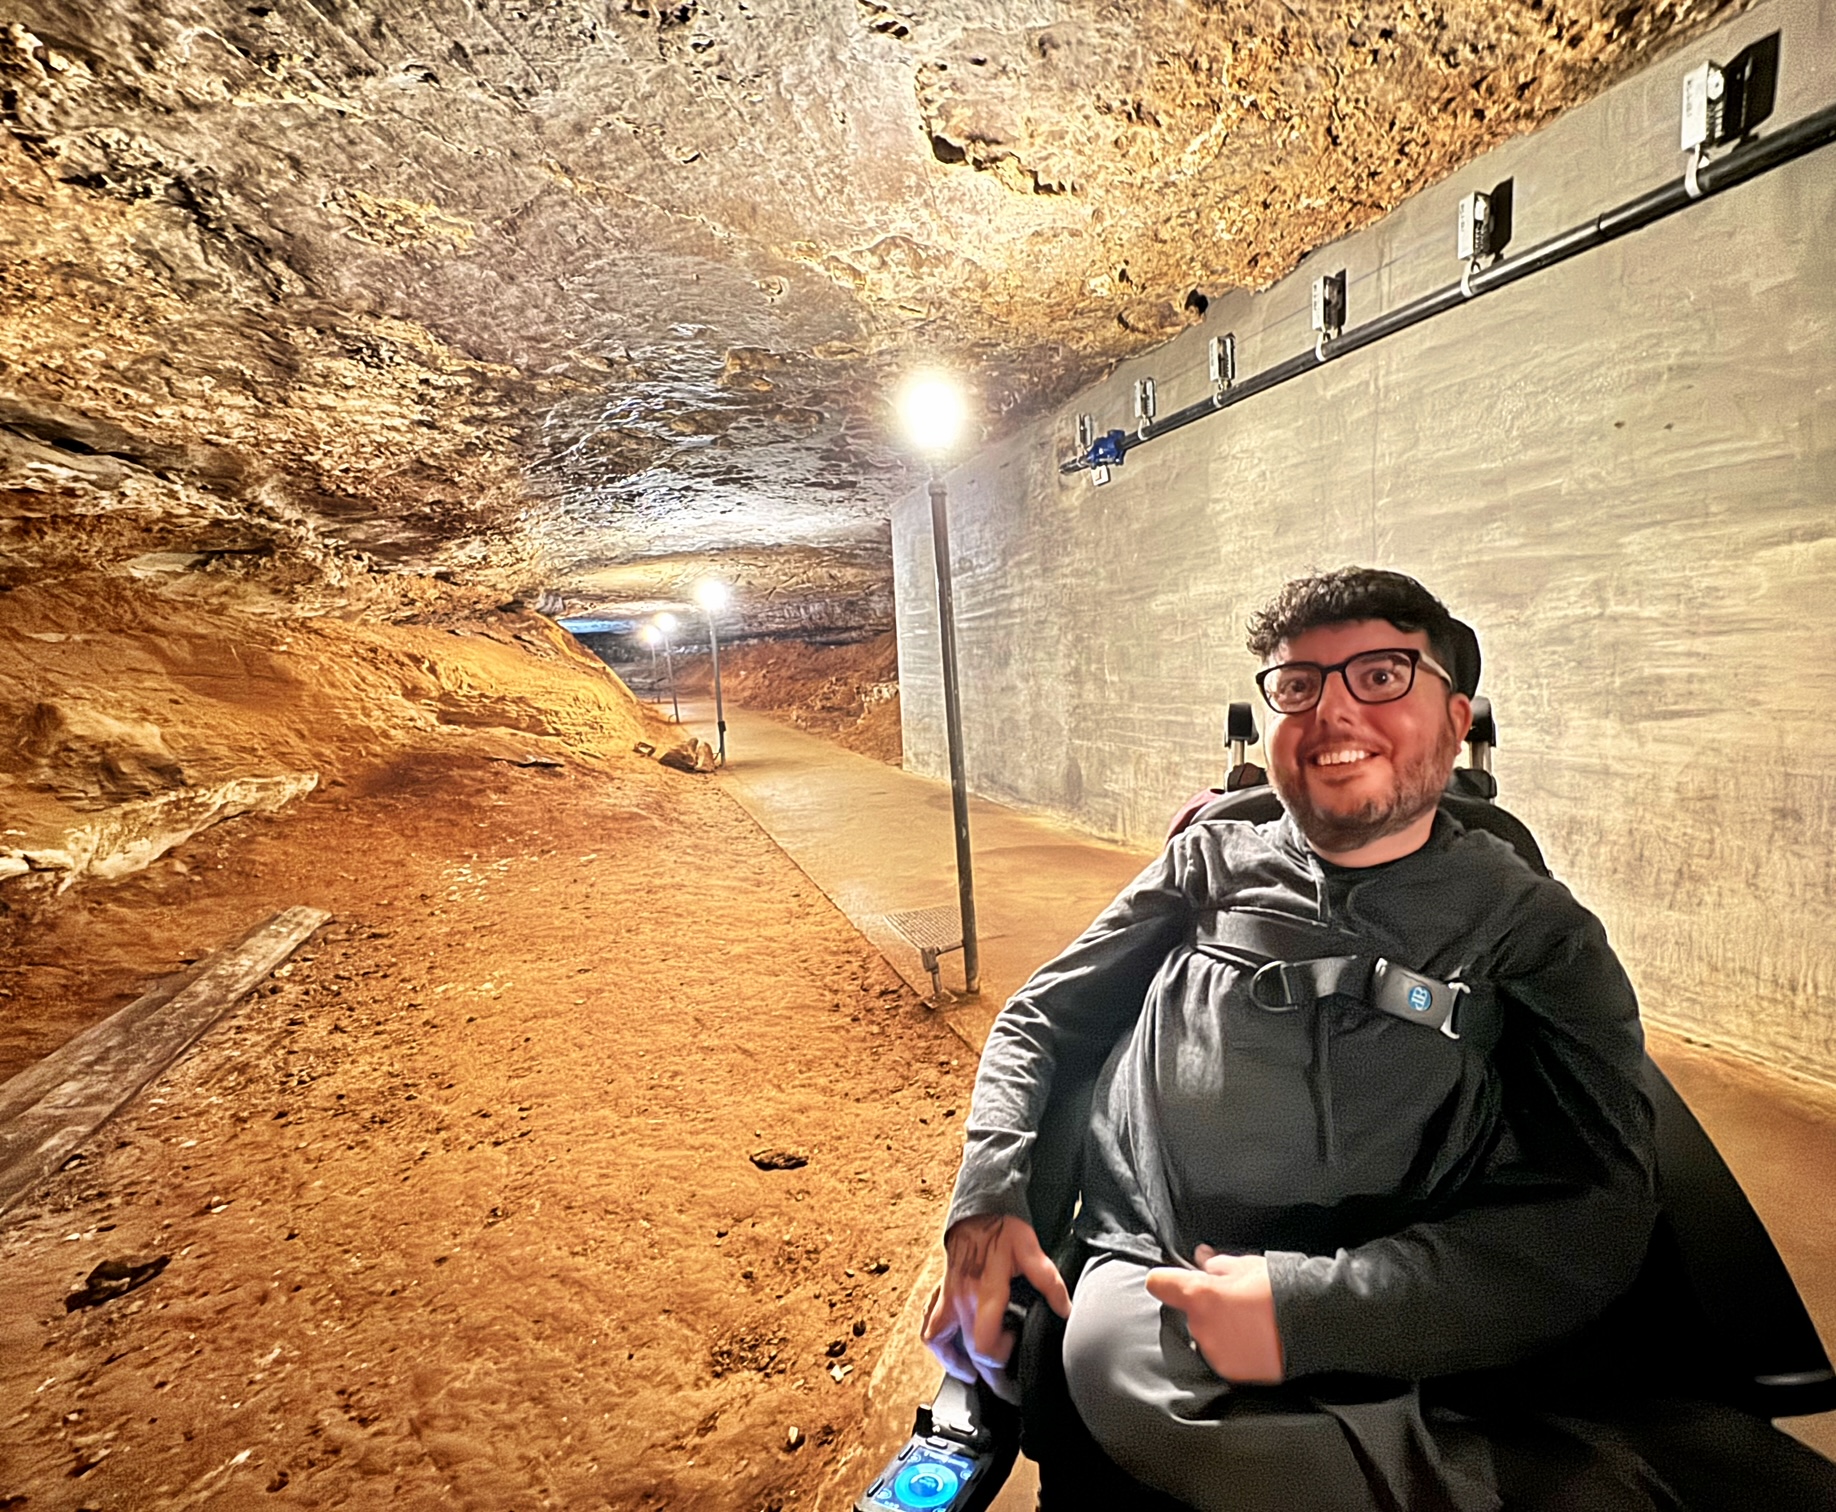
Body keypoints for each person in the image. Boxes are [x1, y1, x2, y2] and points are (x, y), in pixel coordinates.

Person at [922, 568, 1836, 1510]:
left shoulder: (1535, 929)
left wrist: (1306, 1312)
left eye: (1383, 676)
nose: (1332, 713)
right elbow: (1041, 1014)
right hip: (1160, 1257)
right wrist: (989, 1196)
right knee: (1112, 1372)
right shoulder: (1207, 859)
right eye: (1298, 684)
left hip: (1400, 1268)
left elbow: (1598, 1203)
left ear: (1455, 717)